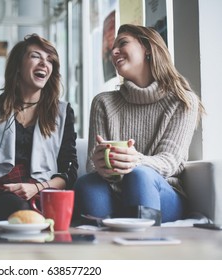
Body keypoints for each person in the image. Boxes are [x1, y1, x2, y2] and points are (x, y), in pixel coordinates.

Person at [74, 24, 205, 225]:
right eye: (113, 48)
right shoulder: (103, 102)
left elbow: (170, 160)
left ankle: (143, 251)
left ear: (147, 48)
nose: (114, 51)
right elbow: (93, 166)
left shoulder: (182, 100)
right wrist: (100, 164)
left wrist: (136, 160)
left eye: (123, 43)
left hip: (161, 193)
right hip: (113, 191)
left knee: (139, 175)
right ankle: (98, 252)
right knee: (87, 183)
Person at [0, 34, 78, 226]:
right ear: (18, 66)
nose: (44, 63)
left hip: (43, 192)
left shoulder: (62, 112)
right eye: (36, 56)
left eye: (49, 60)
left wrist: (37, 188)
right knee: (20, 211)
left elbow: (69, 172)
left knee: (41, 213)